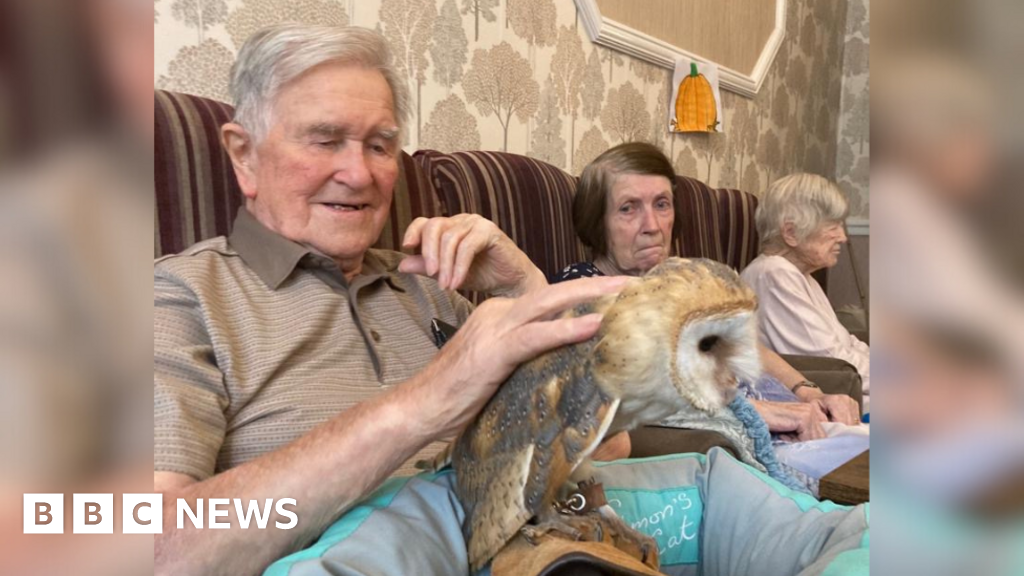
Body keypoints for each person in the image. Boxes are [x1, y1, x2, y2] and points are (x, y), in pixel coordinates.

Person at [154, 25, 866, 576]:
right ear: (242, 154)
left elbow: (605, 445)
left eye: (380, 144)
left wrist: (525, 285)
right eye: (325, 139)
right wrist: (427, 402)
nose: (360, 172)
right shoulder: (181, 299)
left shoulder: (427, 284)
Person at [553, 143, 861, 442]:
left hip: (781, 425)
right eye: (628, 208)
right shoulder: (583, 289)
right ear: (597, 223)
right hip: (730, 439)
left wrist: (808, 391)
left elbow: (744, 345)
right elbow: (617, 394)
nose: (653, 225)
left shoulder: (682, 281)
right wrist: (755, 412)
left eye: (662, 204)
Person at [739, 173, 871, 409]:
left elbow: (847, 344)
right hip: (818, 395)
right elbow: (832, 362)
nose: (842, 237)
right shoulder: (773, 275)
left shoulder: (800, 275)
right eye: (833, 226)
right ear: (790, 233)